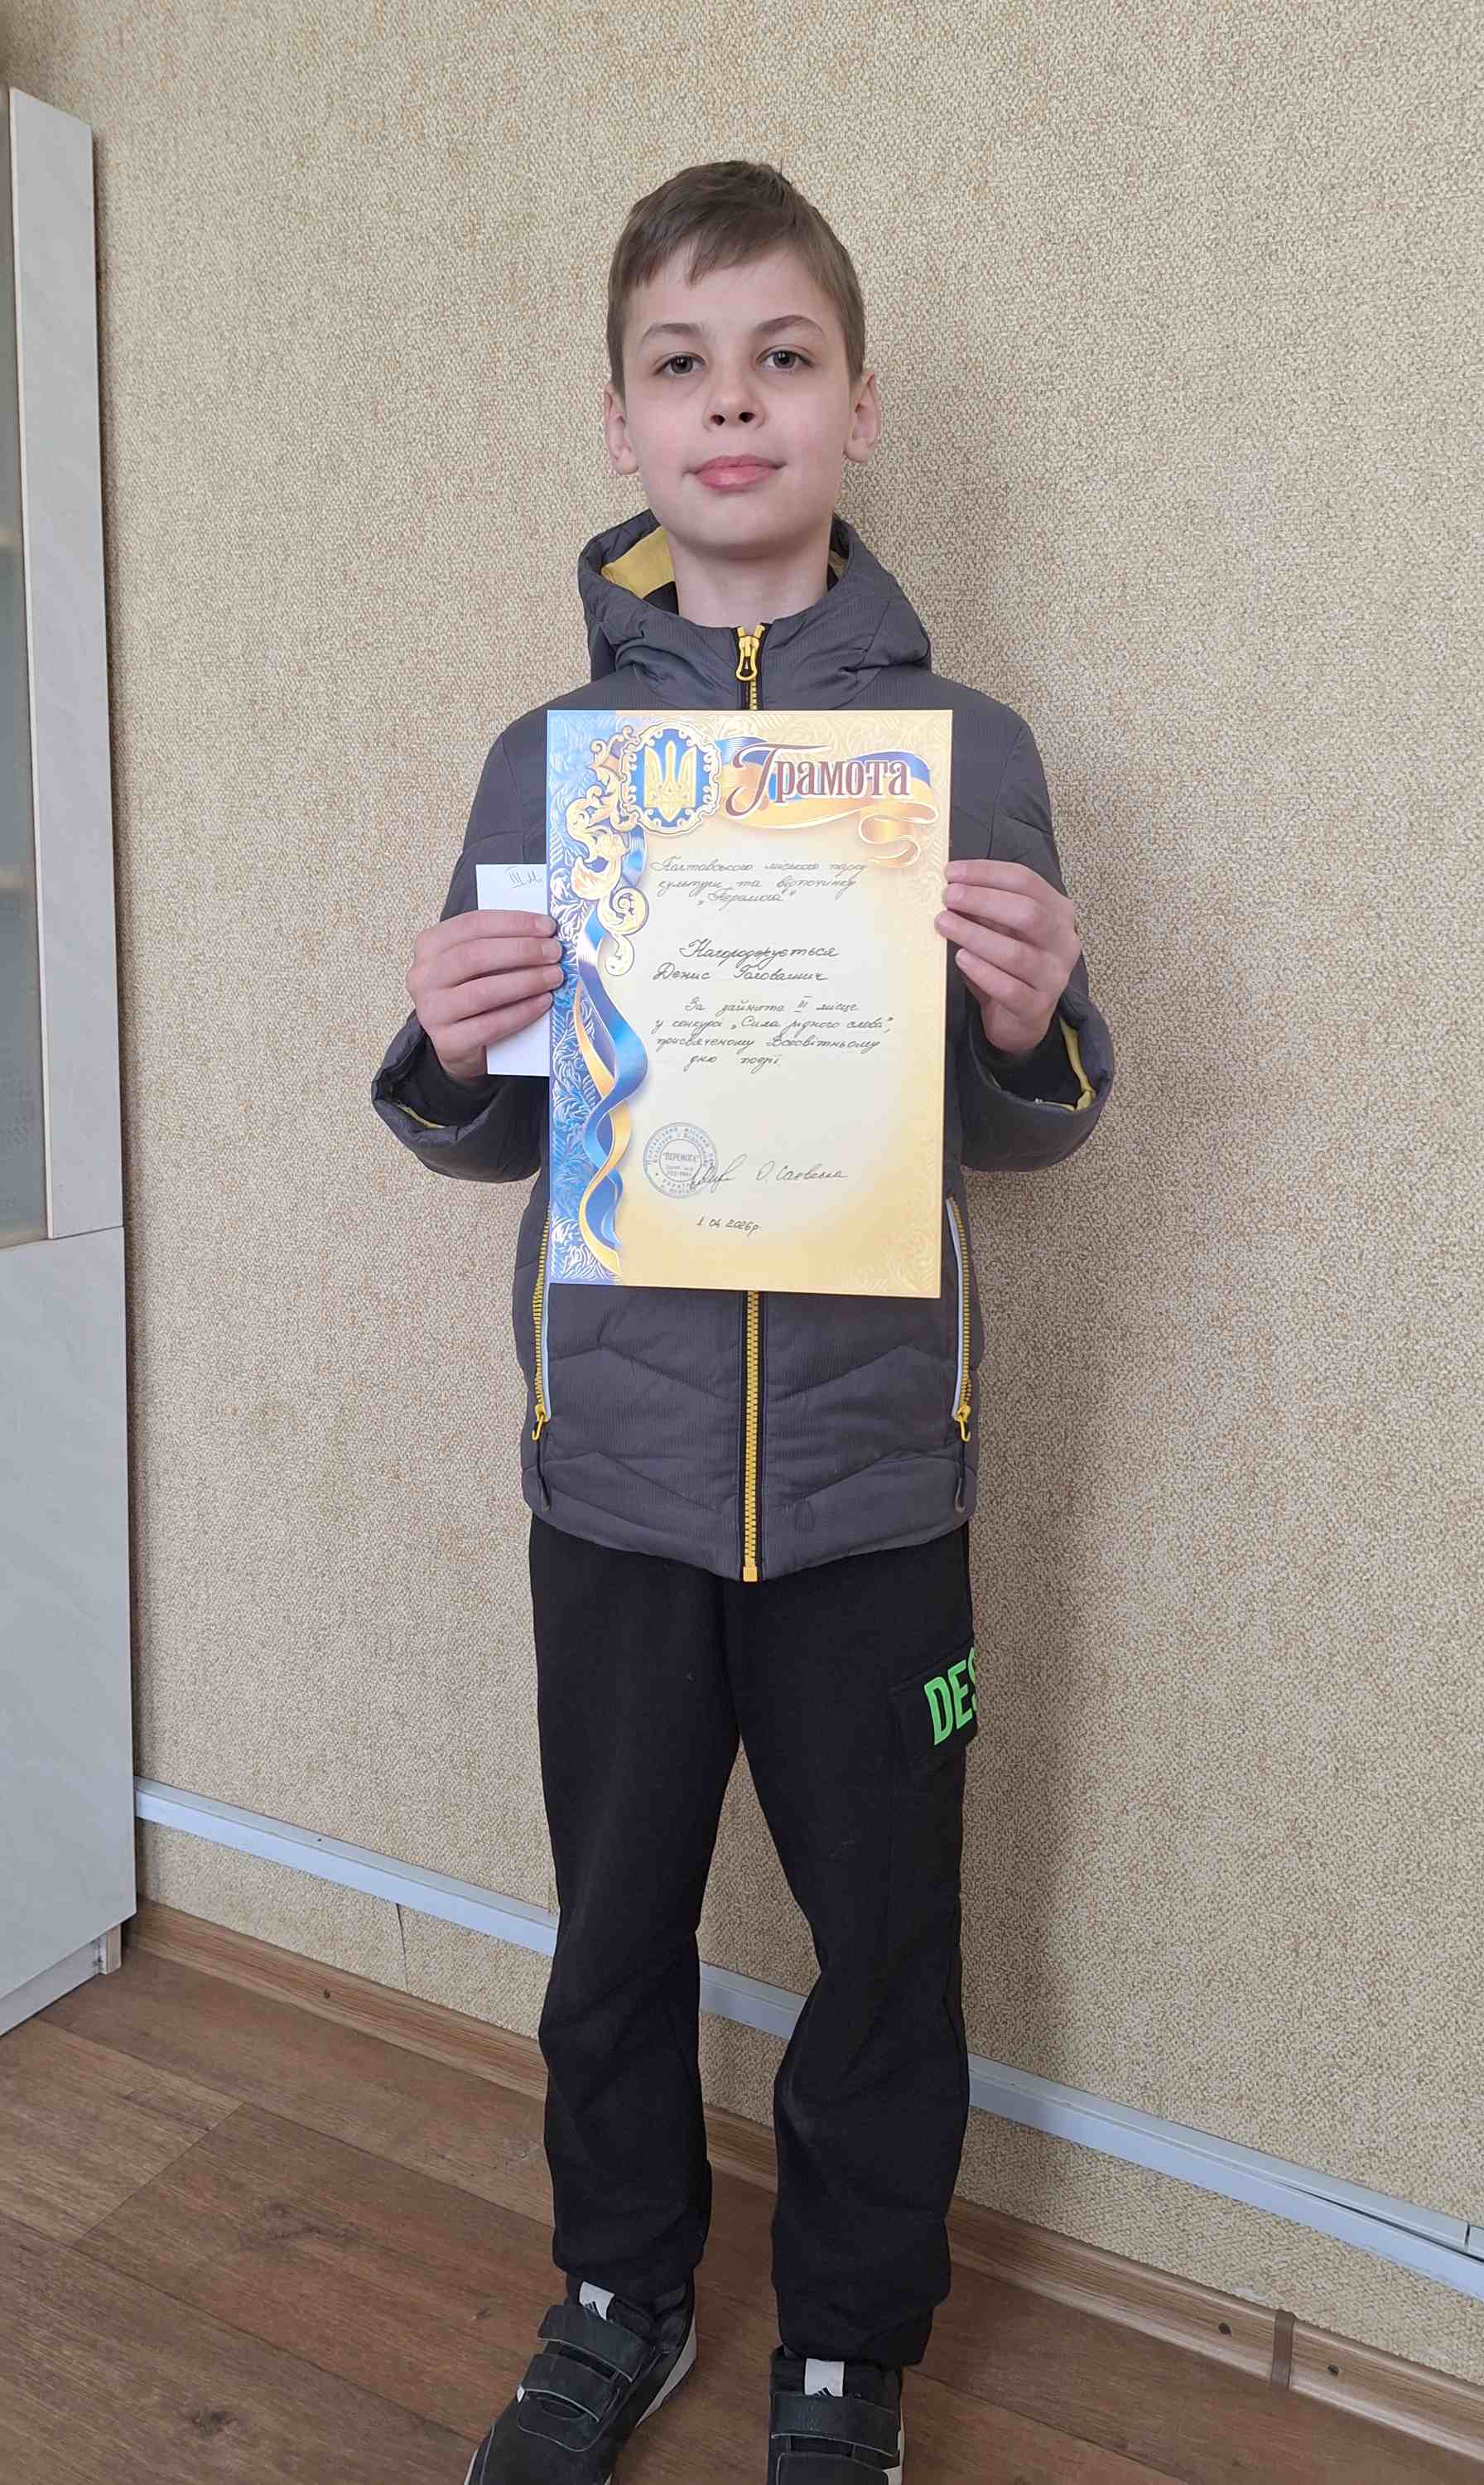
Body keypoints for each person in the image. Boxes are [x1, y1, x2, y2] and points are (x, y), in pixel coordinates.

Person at [373, 157, 1114, 2485]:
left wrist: (1033, 1022)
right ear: (622, 422)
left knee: (886, 1940)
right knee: (612, 1927)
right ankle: (617, 2292)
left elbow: (1038, 1122)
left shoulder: (967, 755)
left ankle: (847, 2349)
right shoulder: (550, 765)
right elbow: (493, 1123)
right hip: (614, 1477)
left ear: (857, 407)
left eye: (782, 358)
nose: (732, 402)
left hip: (881, 1488)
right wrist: (450, 1043)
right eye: (681, 364)